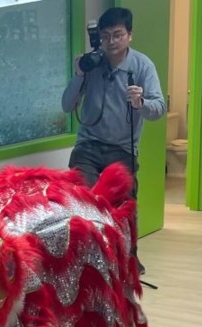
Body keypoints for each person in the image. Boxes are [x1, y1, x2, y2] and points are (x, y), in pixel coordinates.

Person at [61, 7, 166, 275]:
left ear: (130, 36)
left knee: (125, 206)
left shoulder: (142, 66)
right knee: (81, 199)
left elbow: (159, 109)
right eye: (106, 36)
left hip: (122, 149)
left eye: (118, 35)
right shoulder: (92, 64)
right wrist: (79, 75)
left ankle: (129, 258)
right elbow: (66, 105)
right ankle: (84, 260)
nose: (111, 41)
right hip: (88, 146)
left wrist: (140, 102)